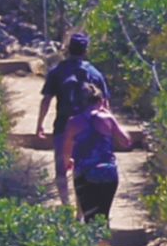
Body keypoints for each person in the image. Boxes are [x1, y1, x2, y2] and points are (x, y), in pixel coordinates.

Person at [35, 31, 110, 207]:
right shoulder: (94, 73)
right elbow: (104, 104)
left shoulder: (57, 72)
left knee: (61, 170)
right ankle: (80, 210)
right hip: (88, 128)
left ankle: (65, 205)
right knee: (83, 170)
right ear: (86, 50)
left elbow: (46, 99)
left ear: (68, 49)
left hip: (63, 125)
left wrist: (40, 125)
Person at [60, 82, 134, 226]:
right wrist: (112, 117)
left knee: (89, 217)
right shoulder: (107, 119)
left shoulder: (73, 122)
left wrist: (67, 162)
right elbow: (126, 142)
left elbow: (66, 150)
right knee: (103, 216)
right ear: (101, 101)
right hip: (107, 172)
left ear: (83, 102)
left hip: (84, 174)